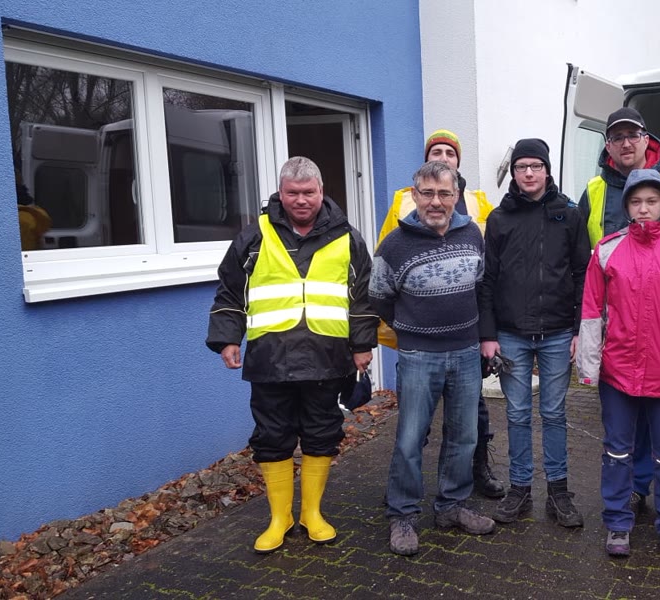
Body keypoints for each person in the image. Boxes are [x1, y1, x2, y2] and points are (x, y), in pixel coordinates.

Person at [206, 157, 378, 554]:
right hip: (270, 358)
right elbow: (230, 290)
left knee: (322, 433)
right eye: (293, 193)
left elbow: (362, 297)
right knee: (272, 437)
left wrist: (362, 345)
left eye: (308, 192)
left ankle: (312, 514)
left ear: (321, 191)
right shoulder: (255, 235)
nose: (301, 200)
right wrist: (227, 338)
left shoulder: (347, 237)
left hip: (327, 357)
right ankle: (279, 517)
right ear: (280, 194)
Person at [578, 106, 660, 522]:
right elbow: (586, 274)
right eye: (617, 137)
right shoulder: (595, 193)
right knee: (622, 437)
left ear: (646, 138)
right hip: (622, 350)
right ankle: (631, 496)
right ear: (608, 145)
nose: (625, 143)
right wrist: (589, 353)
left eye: (632, 135)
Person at [371, 161, 495, 556]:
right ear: (414, 196)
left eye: (444, 193)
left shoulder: (472, 234)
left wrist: (482, 337)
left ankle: (451, 506)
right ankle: (403, 514)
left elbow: (482, 288)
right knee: (410, 438)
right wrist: (410, 328)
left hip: (465, 353)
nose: (435, 202)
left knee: (464, 435)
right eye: (427, 193)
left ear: (456, 195)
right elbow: (379, 296)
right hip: (418, 355)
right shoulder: (394, 244)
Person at [478, 138, 589, 528]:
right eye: (521, 166)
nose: (528, 173)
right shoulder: (499, 218)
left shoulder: (569, 214)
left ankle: (558, 491)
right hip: (511, 334)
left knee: (554, 413)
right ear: (513, 173)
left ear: (547, 170)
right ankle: (520, 489)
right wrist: (488, 334)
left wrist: (579, 329)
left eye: (535, 166)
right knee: (517, 413)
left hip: (558, 332)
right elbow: (487, 280)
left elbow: (583, 274)